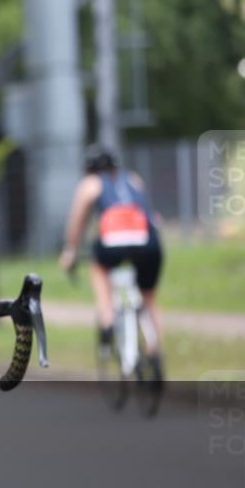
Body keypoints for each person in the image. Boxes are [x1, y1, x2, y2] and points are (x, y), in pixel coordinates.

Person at [59, 144, 164, 368]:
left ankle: (107, 318)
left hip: (114, 243)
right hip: (149, 242)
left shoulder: (91, 183)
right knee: (149, 299)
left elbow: (77, 223)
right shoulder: (133, 179)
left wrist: (71, 252)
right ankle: (154, 351)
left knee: (99, 267)